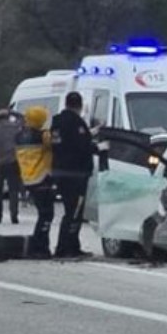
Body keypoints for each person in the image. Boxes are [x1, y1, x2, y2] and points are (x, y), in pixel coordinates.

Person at [49, 91, 97, 259]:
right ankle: (64, 248)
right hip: (75, 173)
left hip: (60, 171)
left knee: (72, 210)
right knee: (74, 212)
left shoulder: (56, 122)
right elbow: (80, 146)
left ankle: (72, 245)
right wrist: (97, 147)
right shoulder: (76, 123)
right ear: (80, 105)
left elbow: (61, 145)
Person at [14, 106, 54, 256]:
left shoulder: (18, 136)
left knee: (42, 213)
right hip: (42, 177)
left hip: (28, 178)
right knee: (46, 214)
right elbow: (53, 145)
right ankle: (40, 247)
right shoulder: (42, 136)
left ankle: (38, 246)